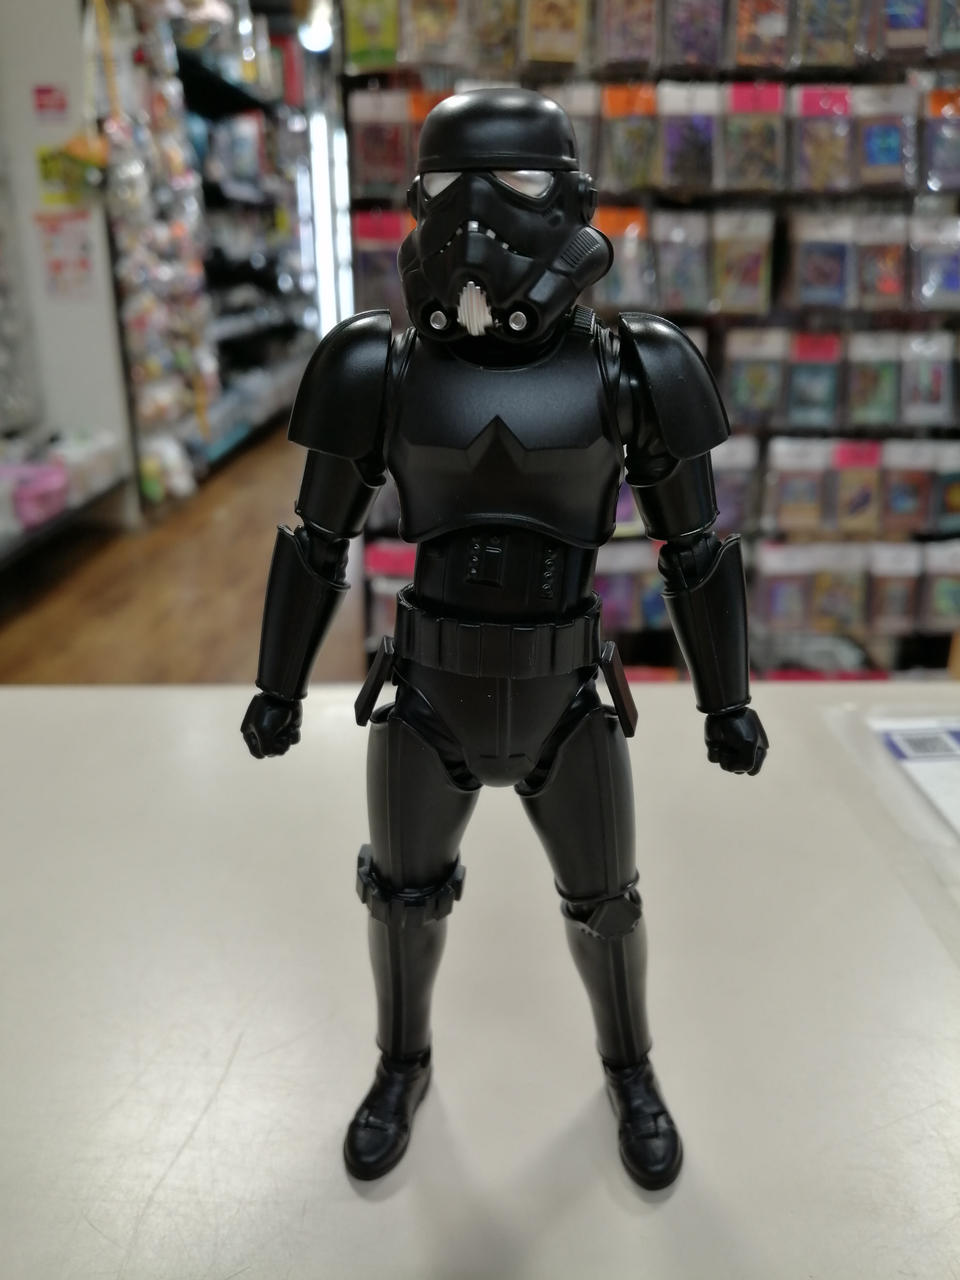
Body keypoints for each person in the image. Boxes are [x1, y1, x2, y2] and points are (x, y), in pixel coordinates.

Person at [241, 87, 768, 1190]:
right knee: (401, 899)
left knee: (607, 907)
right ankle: (400, 1065)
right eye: (447, 188)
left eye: (513, 185)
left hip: (566, 701)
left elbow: (694, 551)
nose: (475, 218)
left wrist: (728, 701)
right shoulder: (378, 366)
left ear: (569, 199)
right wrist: (277, 687)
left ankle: (630, 1070)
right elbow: (317, 541)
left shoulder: (635, 367)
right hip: (425, 696)